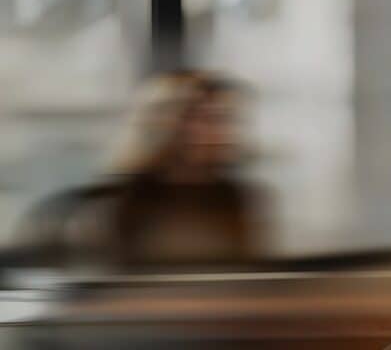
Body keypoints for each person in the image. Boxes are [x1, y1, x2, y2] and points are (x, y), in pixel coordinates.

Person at [17, 70, 263, 268]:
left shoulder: (233, 196)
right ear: (168, 123)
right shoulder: (117, 202)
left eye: (227, 119)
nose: (223, 131)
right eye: (207, 119)